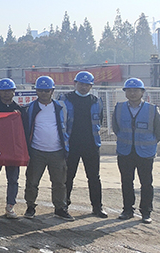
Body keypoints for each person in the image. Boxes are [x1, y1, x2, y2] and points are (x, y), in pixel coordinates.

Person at [112, 78, 160, 223]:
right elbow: (116, 127)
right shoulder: (119, 108)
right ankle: (127, 210)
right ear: (125, 92)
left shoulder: (152, 109)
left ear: (142, 92)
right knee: (126, 181)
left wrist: (150, 142)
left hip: (145, 153)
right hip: (125, 152)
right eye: (129, 90)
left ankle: (146, 212)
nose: (132, 93)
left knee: (146, 183)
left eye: (136, 90)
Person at [22, 76, 73, 221]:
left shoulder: (61, 107)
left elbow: (68, 125)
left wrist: (66, 146)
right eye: (40, 90)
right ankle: (30, 206)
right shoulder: (30, 108)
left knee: (59, 183)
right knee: (32, 181)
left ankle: (60, 208)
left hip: (57, 152)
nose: (43, 93)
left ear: (52, 91)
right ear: (36, 91)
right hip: (36, 151)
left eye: (46, 90)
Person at [59, 71, 107, 218]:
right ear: (75, 84)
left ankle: (97, 207)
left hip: (91, 145)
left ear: (91, 86)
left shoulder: (96, 101)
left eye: (87, 85)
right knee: (68, 176)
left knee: (94, 177)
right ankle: (64, 205)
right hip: (71, 144)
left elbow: (99, 119)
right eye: (81, 84)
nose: (84, 87)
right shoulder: (65, 99)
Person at [0, 78, 24, 219]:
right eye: (3, 91)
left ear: (14, 92)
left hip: (12, 149)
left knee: (13, 179)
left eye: (9, 91)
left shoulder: (18, 110)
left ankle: (10, 206)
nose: (6, 93)